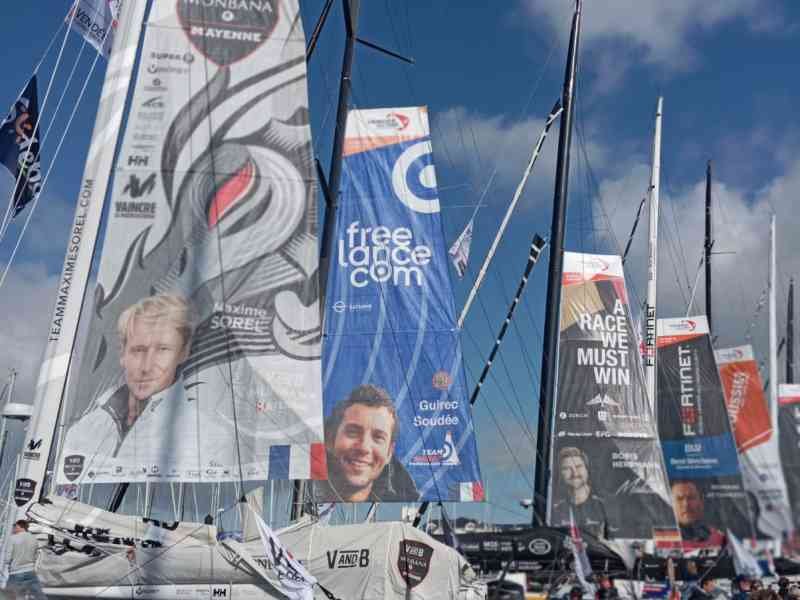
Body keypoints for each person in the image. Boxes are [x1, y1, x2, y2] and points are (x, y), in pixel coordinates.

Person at [59, 293, 195, 475]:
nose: (146, 367)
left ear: (183, 353)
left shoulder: (200, 432)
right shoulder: (85, 428)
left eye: (162, 350)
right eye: (138, 350)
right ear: (122, 354)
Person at [316, 384, 417, 502]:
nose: (364, 447)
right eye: (353, 432)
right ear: (330, 439)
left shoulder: (407, 500)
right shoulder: (300, 489)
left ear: (389, 453)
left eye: (378, 437)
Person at [550, 447, 608, 537]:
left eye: (578, 467)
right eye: (566, 468)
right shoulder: (556, 510)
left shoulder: (605, 504)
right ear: (560, 474)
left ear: (587, 469)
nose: (574, 473)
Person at [670, 480, 725, 548]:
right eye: (679, 499)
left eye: (691, 498)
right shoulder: (661, 539)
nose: (686, 504)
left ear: (701, 502)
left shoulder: (720, 539)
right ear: (671, 504)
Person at [5, 520, 45, 600]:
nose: (13, 529)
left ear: (19, 526)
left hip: (16, 572)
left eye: (14, 527)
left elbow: (8, 559)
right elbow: (36, 555)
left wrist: (8, 563)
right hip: (30, 572)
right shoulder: (34, 539)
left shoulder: (13, 538)